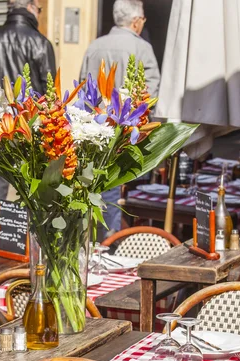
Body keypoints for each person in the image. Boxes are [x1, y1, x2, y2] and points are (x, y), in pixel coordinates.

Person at [80, 0, 160, 235]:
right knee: (117, 184)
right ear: (136, 21)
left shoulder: (94, 45)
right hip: (126, 129)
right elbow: (151, 94)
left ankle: (94, 235)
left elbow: (84, 88)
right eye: (143, 20)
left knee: (93, 182)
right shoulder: (142, 48)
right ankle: (114, 237)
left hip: (94, 128)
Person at [0, 0, 56, 202]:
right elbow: (50, 93)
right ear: (29, 8)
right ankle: (24, 233)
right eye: (39, 9)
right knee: (31, 196)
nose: (39, 14)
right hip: (28, 130)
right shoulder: (40, 43)